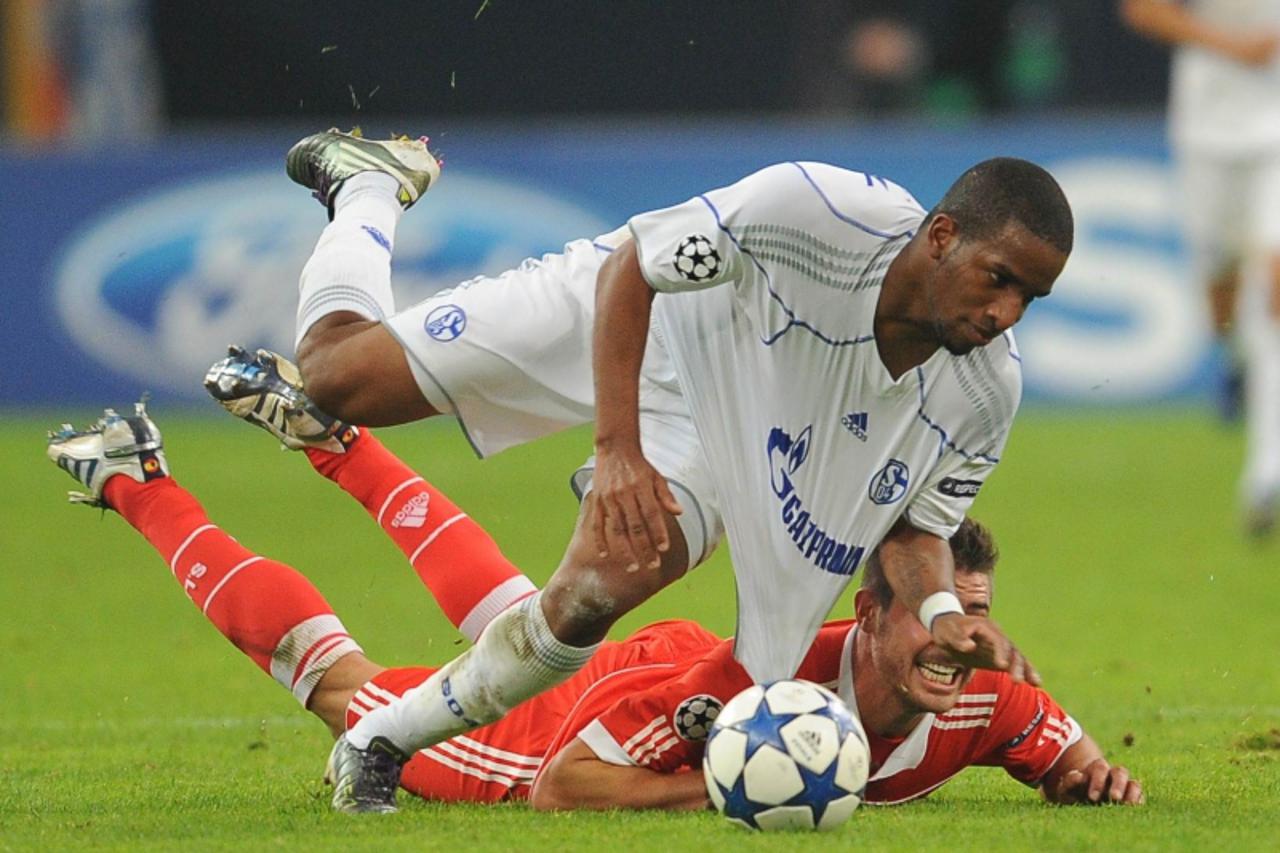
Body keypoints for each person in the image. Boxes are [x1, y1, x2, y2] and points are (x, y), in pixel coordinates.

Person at [280, 129, 1073, 810]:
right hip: (649, 315)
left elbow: (917, 530)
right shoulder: (818, 211)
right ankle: (368, 185)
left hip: (732, 405)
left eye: (1029, 297)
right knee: (338, 379)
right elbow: (635, 266)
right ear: (941, 237)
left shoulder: (983, 388)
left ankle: (380, 740)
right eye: (997, 277)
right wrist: (616, 449)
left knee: (608, 579)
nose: (1005, 313)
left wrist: (939, 610)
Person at [43, 352, 1141, 810]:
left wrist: (1092, 780)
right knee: (348, 689)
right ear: (867, 609)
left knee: (508, 614)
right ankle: (140, 480)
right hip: (582, 727)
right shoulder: (745, 681)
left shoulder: (986, 695)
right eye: (940, 617)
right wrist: (727, 790)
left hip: (639, 670)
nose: (959, 643)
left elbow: (1067, 754)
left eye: (974, 618)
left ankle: (336, 440)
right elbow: (564, 786)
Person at [1121, 0, 1280, 535]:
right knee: (1222, 284)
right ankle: (1235, 358)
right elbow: (1143, 11)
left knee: (1276, 287)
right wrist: (1233, 46)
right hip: (1209, 128)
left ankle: (1266, 471)